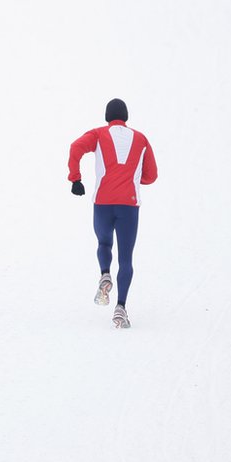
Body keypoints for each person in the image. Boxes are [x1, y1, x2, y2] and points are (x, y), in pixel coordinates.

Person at [68, 98, 158, 328]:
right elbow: (152, 176)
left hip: (103, 202)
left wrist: (75, 179)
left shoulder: (98, 134)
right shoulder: (141, 139)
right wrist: (133, 178)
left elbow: (75, 147)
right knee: (126, 258)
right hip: (129, 205)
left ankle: (105, 273)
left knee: (104, 243)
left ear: (107, 117)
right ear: (126, 117)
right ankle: (120, 308)